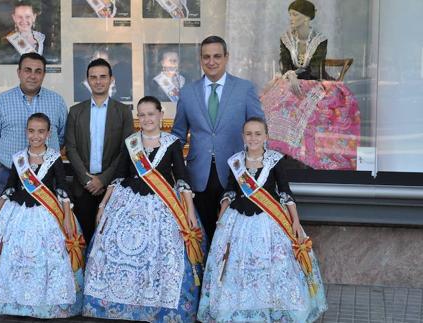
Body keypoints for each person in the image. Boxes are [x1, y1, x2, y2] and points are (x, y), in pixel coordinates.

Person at [83, 96, 205, 323]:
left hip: (163, 207)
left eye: (151, 113)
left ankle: (159, 305)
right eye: (142, 114)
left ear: (160, 115)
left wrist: (189, 211)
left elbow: (182, 179)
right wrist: (103, 205)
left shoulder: (172, 143)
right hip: (127, 203)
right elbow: (119, 176)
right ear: (138, 118)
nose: (147, 118)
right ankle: (119, 302)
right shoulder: (131, 143)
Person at [197, 117, 327, 322]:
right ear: (243, 136)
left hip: (270, 220)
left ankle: (273, 308)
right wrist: (222, 210)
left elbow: (284, 191)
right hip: (238, 221)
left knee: (276, 265)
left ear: (266, 136)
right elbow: (230, 189)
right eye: (248, 133)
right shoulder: (236, 161)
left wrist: (295, 221)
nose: (253, 137)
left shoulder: (275, 160)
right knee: (236, 266)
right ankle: (240, 308)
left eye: (258, 133)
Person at [0, 113, 85, 318]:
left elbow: (62, 188)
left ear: (48, 133)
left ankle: (45, 304)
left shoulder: (54, 158)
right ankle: (16, 302)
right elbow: (9, 188)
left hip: (46, 215)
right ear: (26, 132)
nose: (36, 136)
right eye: (32, 131)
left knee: (46, 259)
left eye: (41, 131)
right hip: (17, 214)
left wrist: (68, 218)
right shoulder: (19, 158)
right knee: (15, 256)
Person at [172, 35, 264, 244]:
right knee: (200, 234)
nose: (211, 62)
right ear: (200, 59)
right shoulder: (187, 93)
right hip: (198, 175)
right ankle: (205, 276)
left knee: (231, 235)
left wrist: (260, 167)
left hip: (236, 174)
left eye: (216, 56)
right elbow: (178, 135)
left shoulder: (244, 89)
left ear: (226, 57)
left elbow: (258, 130)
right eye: (206, 57)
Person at [261, 0, 360, 170]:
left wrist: (295, 76)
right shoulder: (286, 39)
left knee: (308, 107)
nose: (291, 18)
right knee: (272, 104)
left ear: (306, 18)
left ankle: (304, 155)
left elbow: (314, 69)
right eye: (290, 14)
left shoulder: (320, 40)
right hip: (289, 81)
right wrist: (289, 75)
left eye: (295, 15)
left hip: (314, 82)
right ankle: (278, 154)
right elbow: (285, 65)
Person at [65, 58, 134, 244]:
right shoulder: (75, 112)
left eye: (103, 76)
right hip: (83, 187)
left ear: (111, 79)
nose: (98, 81)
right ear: (87, 80)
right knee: (84, 239)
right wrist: (87, 179)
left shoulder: (123, 112)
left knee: (110, 240)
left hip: (112, 188)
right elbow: (70, 148)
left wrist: (103, 179)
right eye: (93, 77)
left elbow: (126, 150)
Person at [0, 52, 68, 196]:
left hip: (47, 176)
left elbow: (62, 136)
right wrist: (7, 160)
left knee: (44, 218)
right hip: (10, 175)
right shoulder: (1, 102)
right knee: (9, 217)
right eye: (28, 70)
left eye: (38, 71)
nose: (32, 76)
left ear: (44, 75)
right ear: (19, 72)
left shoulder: (57, 101)